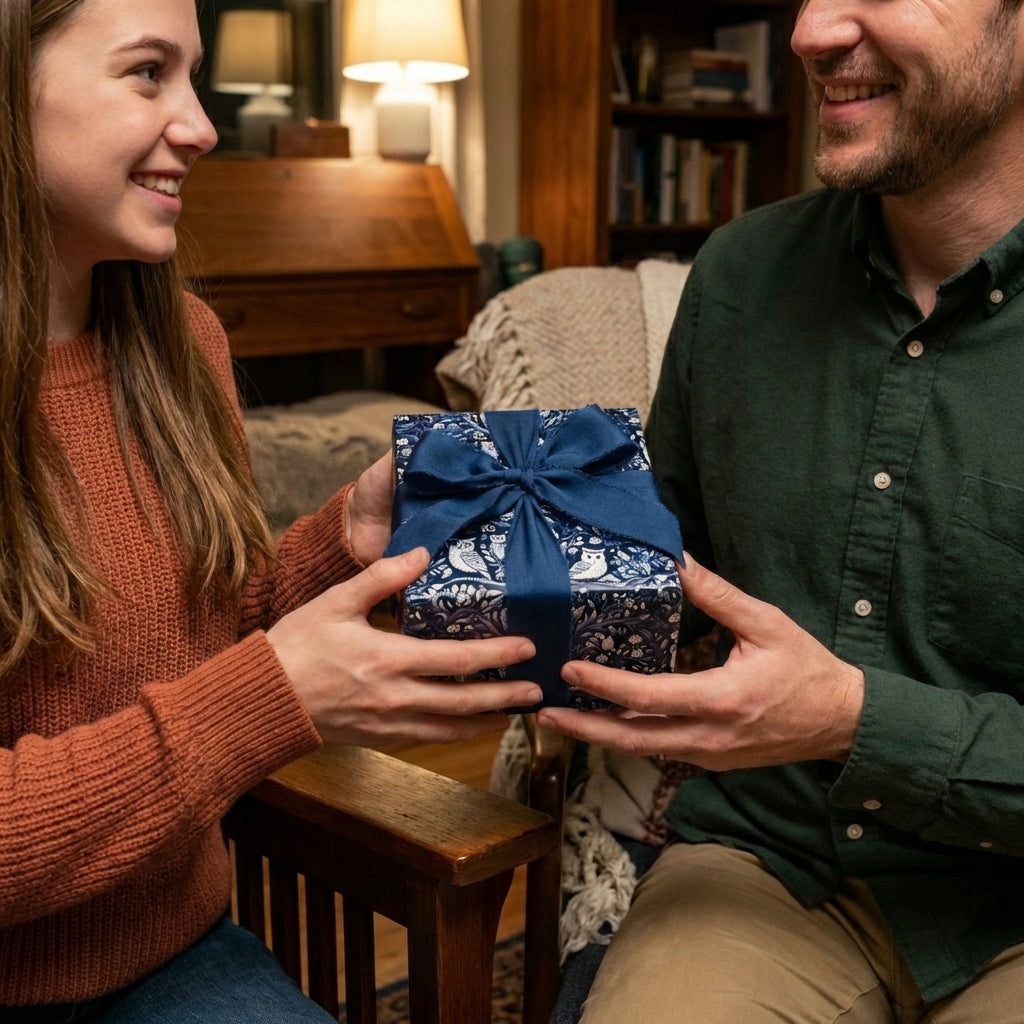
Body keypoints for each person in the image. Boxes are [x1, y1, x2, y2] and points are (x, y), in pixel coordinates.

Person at [0, 0, 543, 1019]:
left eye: (194, 75)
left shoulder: (183, 342)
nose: (201, 124)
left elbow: (211, 622)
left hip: (176, 955)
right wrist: (272, 694)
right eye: (147, 73)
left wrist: (343, 538)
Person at [536, 0, 1024, 1020]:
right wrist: (490, 562)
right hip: (769, 860)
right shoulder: (741, 273)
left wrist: (854, 719)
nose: (807, 32)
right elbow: (653, 584)